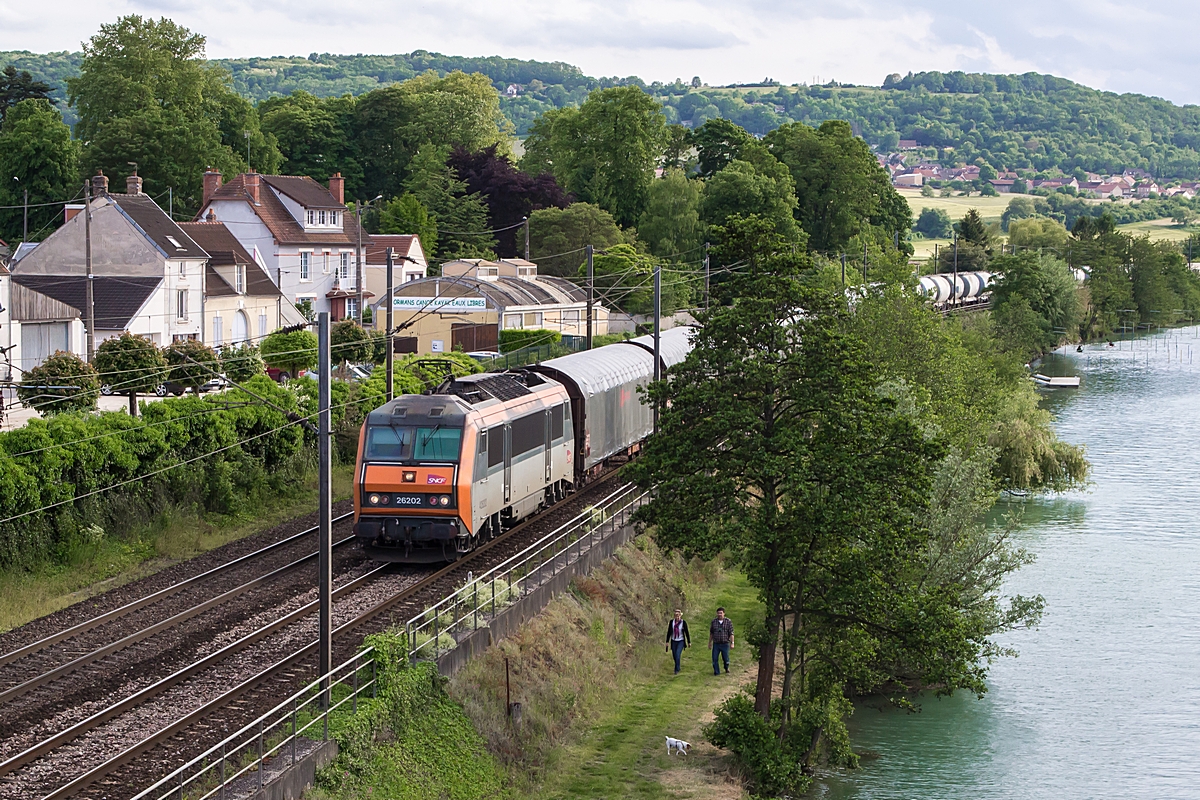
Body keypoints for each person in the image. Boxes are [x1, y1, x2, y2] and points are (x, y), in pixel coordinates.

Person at [708, 607, 734, 675]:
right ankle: (716, 672)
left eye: (721, 613)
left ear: (724, 613)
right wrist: (710, 643)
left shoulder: (728, 621)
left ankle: (726, 667)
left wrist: (732, 643)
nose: (719, 614)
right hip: (716, 643)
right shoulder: (714, 622)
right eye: (718, 613)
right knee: (714, 658)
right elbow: (711, 633)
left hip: (725, 643)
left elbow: (731, 633)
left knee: (725, 658)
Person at [664, 609, 690, 674]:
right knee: (674, 655)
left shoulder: (683, 623)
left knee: (678, 654)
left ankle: (676, 669)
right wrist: (667, 641)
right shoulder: (671, 622)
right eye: (676, 615)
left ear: (680, 616)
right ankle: (677, 665)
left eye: (678, 615)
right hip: (673, 641)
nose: (677, 617)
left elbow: (687, 632)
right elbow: (669, 632)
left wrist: (689, 642)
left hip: (680, 641)